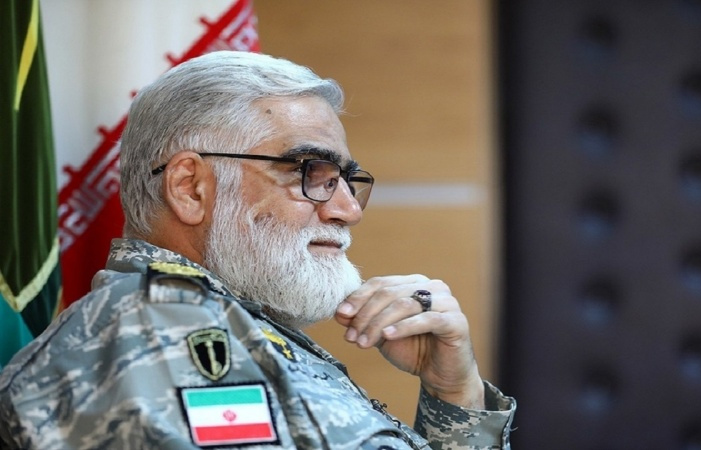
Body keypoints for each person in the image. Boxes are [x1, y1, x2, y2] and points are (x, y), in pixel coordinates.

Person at [0, 51, 515, 449]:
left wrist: (454, 393)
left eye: (344, 180)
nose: (347, 210)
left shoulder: (230, 326)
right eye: (309, 172)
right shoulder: (159, 334)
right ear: (190, 188)